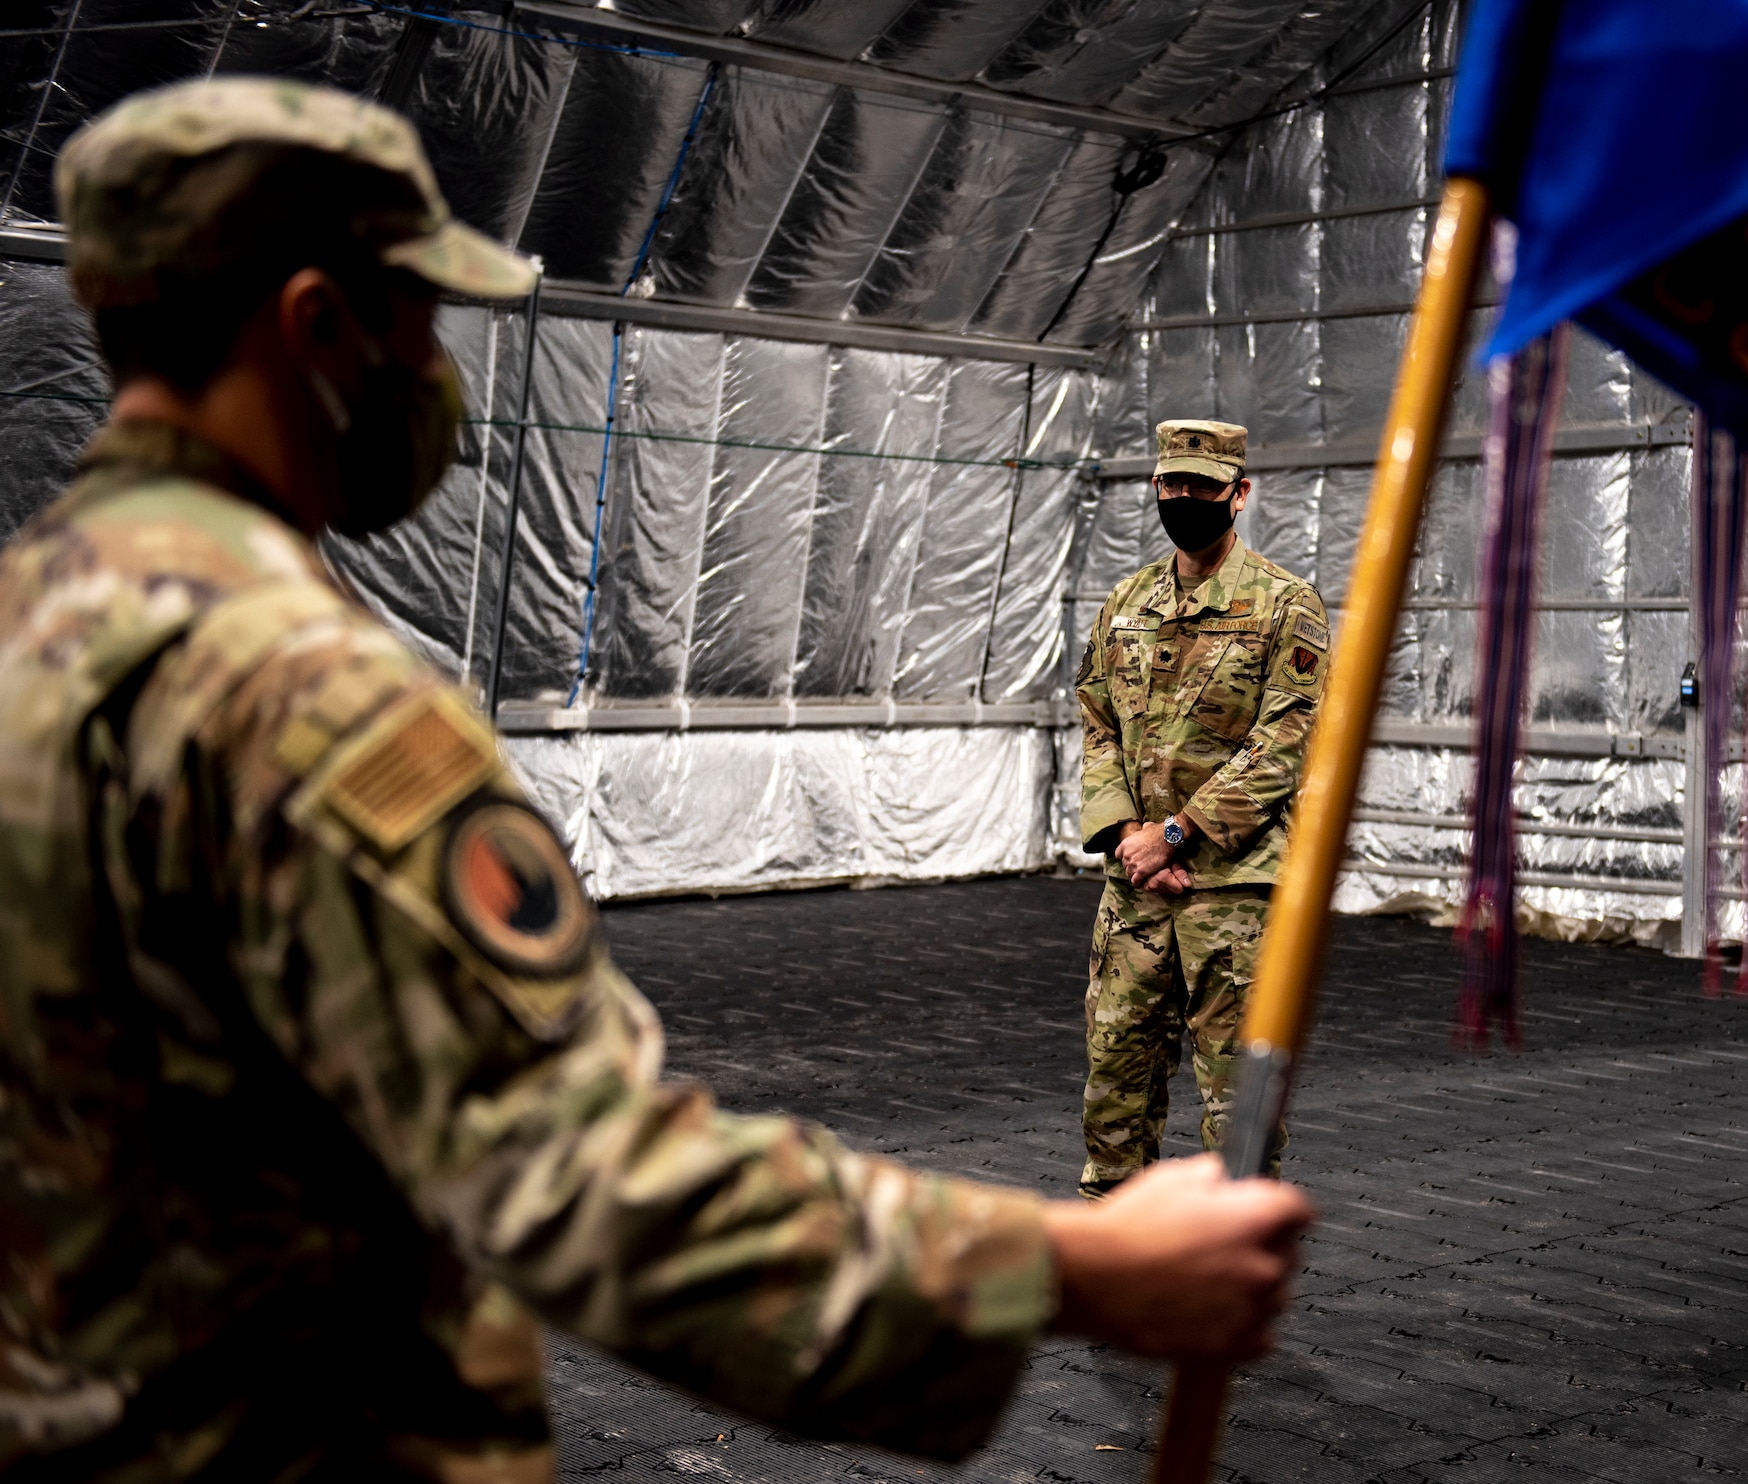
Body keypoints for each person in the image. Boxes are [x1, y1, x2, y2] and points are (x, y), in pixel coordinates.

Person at [0, 79, 1311, 1480]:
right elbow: (584, 1177)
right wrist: (1067, 1274)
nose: (434, 369)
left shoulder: (36, 630)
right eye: (418, 319)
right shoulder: (300, 700)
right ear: (318, 323)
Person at [1073, 420, 1331, 1199]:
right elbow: (1096, 722)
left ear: (1239, 494)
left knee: (1237, 1103)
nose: (1183, 498)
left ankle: (1228, 1264)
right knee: (1114, 1088)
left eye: (1203, 487)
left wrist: (1176, 837)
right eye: (1170, 484)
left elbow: (1283, 745)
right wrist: (1128, 838)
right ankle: (1111, 1252)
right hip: (1135, 892)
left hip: (1234, 895)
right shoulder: (1126, 601)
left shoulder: (1287, 605)